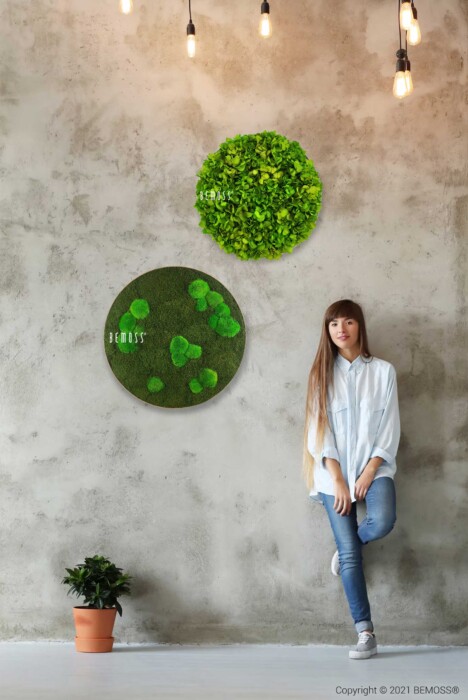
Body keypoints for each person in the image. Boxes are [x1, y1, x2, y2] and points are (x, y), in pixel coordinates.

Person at [302, 299, 401, 659]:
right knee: (350, 557)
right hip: (333, 476)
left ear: (360, 326)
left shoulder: (384, 372)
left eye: (348, 322)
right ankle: (366, 633)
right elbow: (319, 434)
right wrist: (340, 480)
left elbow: (389, 429)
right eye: (333, 324)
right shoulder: (321, 375)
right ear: (327, 332)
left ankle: (348, 551)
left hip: (376, 467)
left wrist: (370, 470)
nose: (341, 329)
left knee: (382, 520)